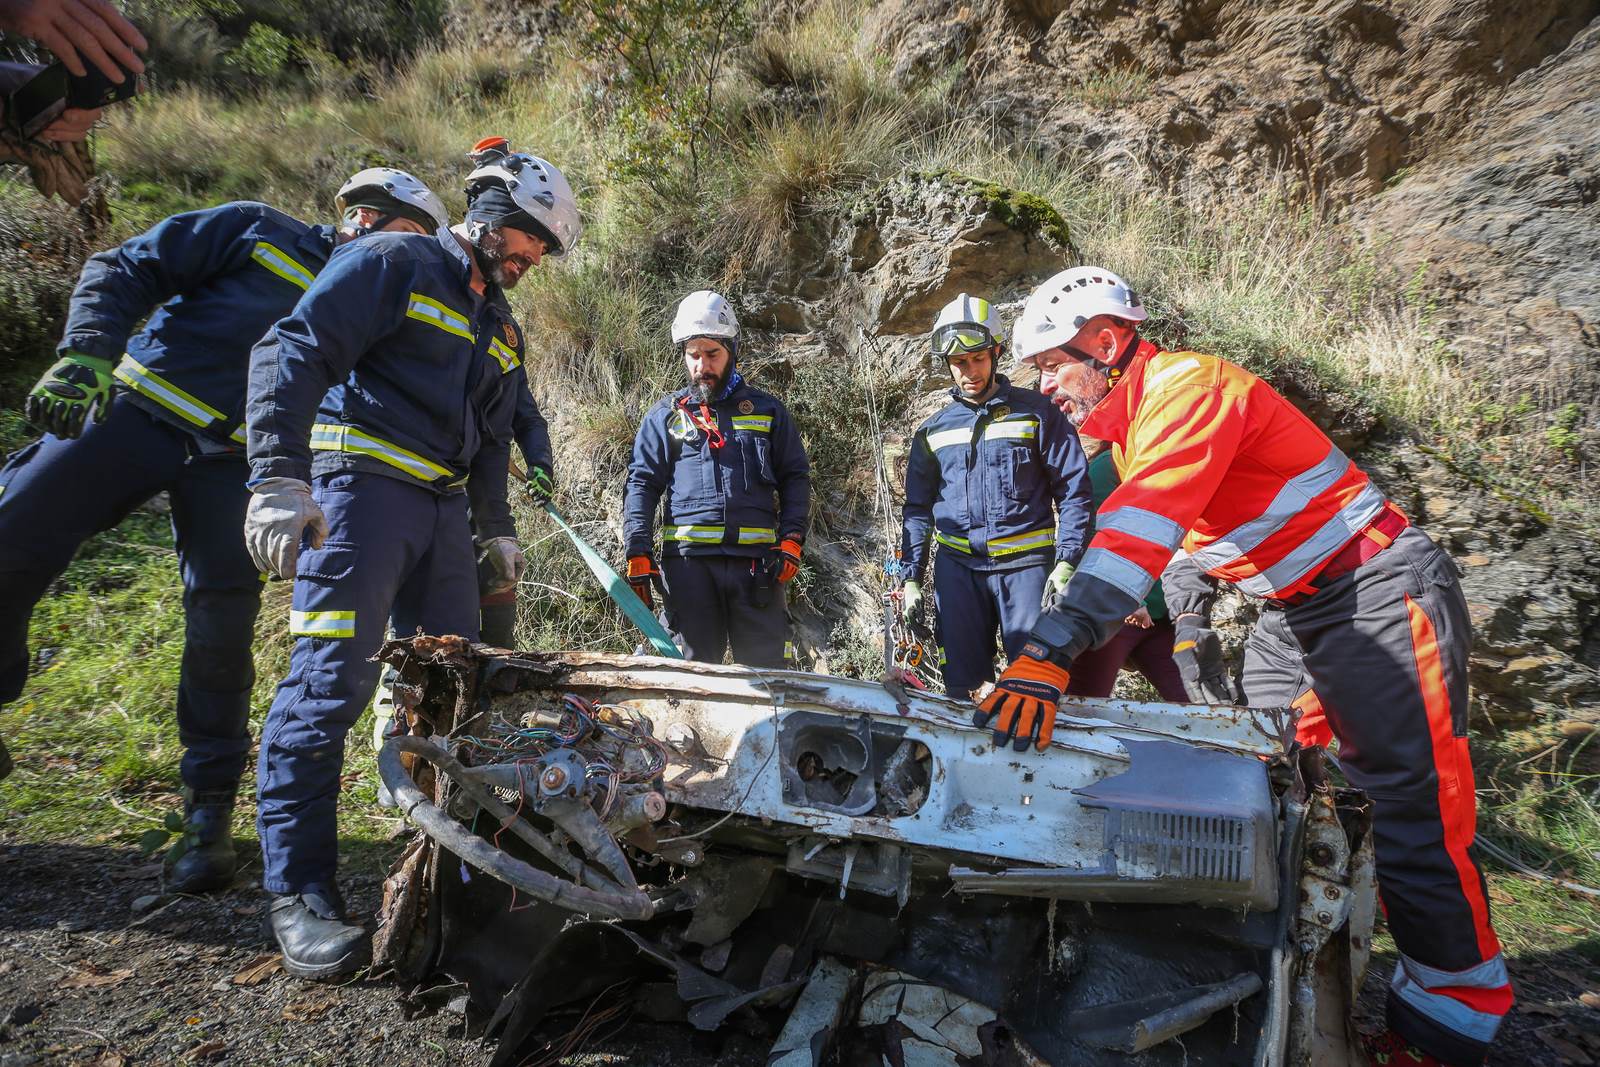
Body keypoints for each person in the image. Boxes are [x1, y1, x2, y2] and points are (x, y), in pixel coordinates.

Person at [976, 265, 1510, 1067]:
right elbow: (1183, 545)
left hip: (1375, 589)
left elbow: (1137, 533)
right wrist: (1185, 623)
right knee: (1273, 779)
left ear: (1107, 343)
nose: (1046, 386)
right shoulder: (1140, 428)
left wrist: (1049, 651)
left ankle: (1452, 1024)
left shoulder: (1187, 386)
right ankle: (1302, 960)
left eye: (1053, 364)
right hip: (1298, 611)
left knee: (1415, 808)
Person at [0, 169, 447, 892]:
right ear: (367, 217)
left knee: (221, 628)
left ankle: (206, 813)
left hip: (236, 472)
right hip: (133, 412)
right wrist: (86, 349)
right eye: (409, 242)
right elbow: (126, 266)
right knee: (10, 537)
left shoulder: (380, 302)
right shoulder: (257, 230)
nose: (410, 262)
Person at [244, 149, 580, 980]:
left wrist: (496, 530)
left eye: (543, 250)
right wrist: (279, 476)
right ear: (490, 207)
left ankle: (444, 871)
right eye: (529, 236)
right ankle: (301, 892)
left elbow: (496, 439)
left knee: (456, 693)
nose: (531, 257)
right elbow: (296, 348)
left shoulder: (502, 325)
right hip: (360, 497)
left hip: (443, 516)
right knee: (329, 686)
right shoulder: (397, 258)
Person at [899, 294, 1091, 699]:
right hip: (958, 573)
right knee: (962, 689)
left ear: (997, 352)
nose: (969, 371)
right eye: (959, 363)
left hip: (1028, 571)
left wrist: (1067, 559)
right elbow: (917, 510)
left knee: (1035, 685)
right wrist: (911, 577)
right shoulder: (932, 430)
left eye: (978, 359)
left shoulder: (1039, 413)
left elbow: (1073, 489)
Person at [622, 291, 810, 668]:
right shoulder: (665, 417)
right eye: (694, 354)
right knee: (685, 677)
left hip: (757, 570)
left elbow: (795, 477)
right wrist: (638, 549)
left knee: (768, 680)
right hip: (689, 571)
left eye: (712, 354)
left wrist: (792, 538)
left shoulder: (767, 410)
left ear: (732, 350)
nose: (701, 366)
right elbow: (642, 482)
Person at [1064, 445, 1186, 702]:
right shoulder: (1108, 468)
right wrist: (1127, 598)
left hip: (1163, 615)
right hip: (1113, 613)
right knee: (1082, 705)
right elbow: (1091, 539)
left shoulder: (1178, 462)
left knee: (1195, 703)